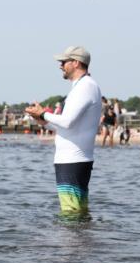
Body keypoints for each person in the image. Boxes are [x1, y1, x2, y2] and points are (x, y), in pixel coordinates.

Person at [24, 46, 103, 215]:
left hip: (72, 160)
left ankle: (73, 242)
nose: (60, 65)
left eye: (63, 62)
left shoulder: (85, 87)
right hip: (74, 160)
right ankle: (82, 241)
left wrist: (44, 113)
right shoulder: (83, 86)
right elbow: (68, 126)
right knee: (78, 212)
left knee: (71, 214)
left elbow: (67, 122)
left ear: (75, 63)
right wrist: (42, 120)